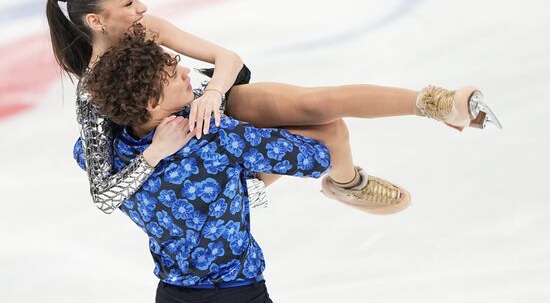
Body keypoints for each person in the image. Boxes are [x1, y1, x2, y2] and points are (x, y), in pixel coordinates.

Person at [47, 0, 501, 215]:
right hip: (200, 157)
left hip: (213, 105)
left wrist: (212, 93)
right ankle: (345, 183)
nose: (143, 7)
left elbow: (228, 59)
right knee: (329, 130)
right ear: (96, 20)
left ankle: (440, 104)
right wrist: (159, 154)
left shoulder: (149, 30)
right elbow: (103, 191)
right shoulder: (93, 92)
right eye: (129, 2)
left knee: (315, 101)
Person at [72, 32, 376, 302]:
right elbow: (316, 158)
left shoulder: (112, 155)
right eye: (172, 73)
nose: (185, 69)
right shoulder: (214, 135)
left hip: (171, 293)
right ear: (152, 101)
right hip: (237, 292)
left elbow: (84, 153)